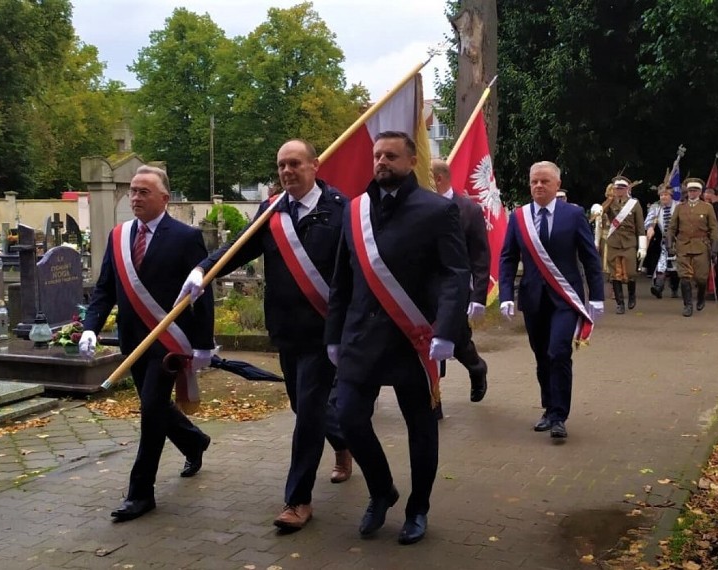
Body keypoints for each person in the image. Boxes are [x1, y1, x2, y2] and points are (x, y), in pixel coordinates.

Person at [177, 139, 351, 532]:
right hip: (286, 329)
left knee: (307, 412)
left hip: (325, 331)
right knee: (301, 405)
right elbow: (237, 249)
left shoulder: (341, 209)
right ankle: (342, 441)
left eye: (295, 164)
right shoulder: (271, 210)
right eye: (281, 166)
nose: (287, 172)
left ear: (315, 165)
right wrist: (202, 270)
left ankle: (297, 500)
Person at [325, 131, 470, 545]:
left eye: (391, 155)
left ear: (411, 161)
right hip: (360, 339)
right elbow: (342, 280)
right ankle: (381, 490)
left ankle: (418, 508)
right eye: (377, 155)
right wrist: (333, 335)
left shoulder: (437, 211)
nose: (381, 161)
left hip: (414, 340)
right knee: (348, 417)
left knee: (421, 429)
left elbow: (455, 275)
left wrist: (446, 331)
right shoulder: (355, 212)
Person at [79, 165, 215, 522]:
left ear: (164, 198)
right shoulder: (120, 236)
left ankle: (141, 493)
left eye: (143, 192)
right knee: (154, 407)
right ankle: (193, 441)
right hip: (132, 340)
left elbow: (203, 294)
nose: (135, 197)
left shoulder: (186, 237)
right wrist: (91, 327)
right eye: (133, 191)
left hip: (168, 344)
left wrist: (203, 345)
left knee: (151, 411)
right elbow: (106, 286)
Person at [499, 161, 604, 442]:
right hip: (533, 298)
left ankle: (559, 416)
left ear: (557, 185)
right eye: (534, 181)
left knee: (559, 352)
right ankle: (548, 407)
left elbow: (589, 257)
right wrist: (506, 295)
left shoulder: (573, 215)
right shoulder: (519, 217)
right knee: (542, 356)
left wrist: (597, 296)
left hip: (564, 299)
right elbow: (508, 258)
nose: (538, 186)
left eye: (544, 181)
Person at [430, 158, 489, 403]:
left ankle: (477, 368)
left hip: (455, 288)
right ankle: (434, 399)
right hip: (422, 288)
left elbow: (480, 256)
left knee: (459, 339)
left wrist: (478, 297)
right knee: (428, 339)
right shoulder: (416, 207)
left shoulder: (468, 210)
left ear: (439, 179)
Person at [668, 178, 718, 316]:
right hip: (683, 244)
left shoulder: (707, 207)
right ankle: (688, 305)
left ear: (700, 192)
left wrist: (715, 247)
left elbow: (714, 228)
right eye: (690, 190)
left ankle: (701, 296)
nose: (692, 193)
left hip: (701, 245)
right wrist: (669, 243)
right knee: (684, 276)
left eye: (695, 190)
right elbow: (672, 227)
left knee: (701, 277)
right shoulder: (680, 207)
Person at [603, 176, 646, 314]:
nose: (618, 190)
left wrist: (642, 247)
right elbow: (599, 214)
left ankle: (632, 295)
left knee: (631, 272)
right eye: (616, 188)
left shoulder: (634, 204)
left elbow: (640, 226)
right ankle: (620, 303)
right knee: (615, 274)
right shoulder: (610, 203)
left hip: (629, 242)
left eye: (621, 188)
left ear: (627, 189)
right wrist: (609, 201)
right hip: (614, 242)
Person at [643, 184, 680, 298]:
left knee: (675, 267)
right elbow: (649, 220)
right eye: (661, 195)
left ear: (671, 195)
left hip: (678, 241)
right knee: (661, 264)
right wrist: (649, 227)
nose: (663, 197)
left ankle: (674, 288)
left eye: (666, 195)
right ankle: (658, 287)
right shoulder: (656, 207)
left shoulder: (679, 206)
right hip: (664, 241)